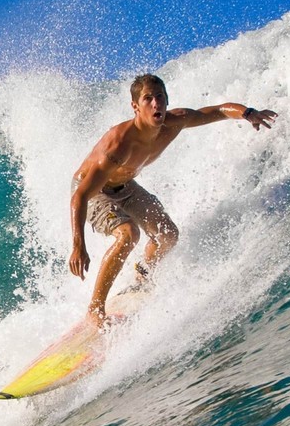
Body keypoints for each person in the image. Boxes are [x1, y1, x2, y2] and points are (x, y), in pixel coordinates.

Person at [69, 73, 277, 325]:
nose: (156, 103)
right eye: (148, 99)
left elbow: (218, 111)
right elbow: (80, 195)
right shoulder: (119, 145)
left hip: (125, 185)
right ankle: (95, 309)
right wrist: (79, 245)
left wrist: (248, 113)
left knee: (168, 234)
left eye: (160, 97)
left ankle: (142, 276)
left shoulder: (174, 122)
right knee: (128, 234)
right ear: (135, 106)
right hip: (93, 190)